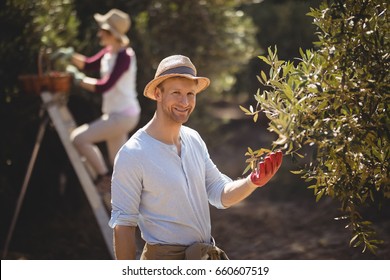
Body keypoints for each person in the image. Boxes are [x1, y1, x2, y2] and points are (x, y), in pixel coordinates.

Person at [109, 55, 283, 260]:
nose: (185, 102)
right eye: (176, 93)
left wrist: (253, 181)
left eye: (190, 94)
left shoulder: (193, 139)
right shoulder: (133, 154)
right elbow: (124, 226)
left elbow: (220, 193)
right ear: (158, 94)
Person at [52, 9, 140, 209]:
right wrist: (68, 55)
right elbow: (89, 63)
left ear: (112, 34)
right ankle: (128, 209)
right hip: (116, 114)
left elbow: (104, 85)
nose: (99, 34)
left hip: (123, 116)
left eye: (103, 31)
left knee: (79, 138)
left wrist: (78, 80)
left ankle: (103, 178)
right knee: (120, 167)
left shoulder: (125, 56)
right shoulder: (110, 52)